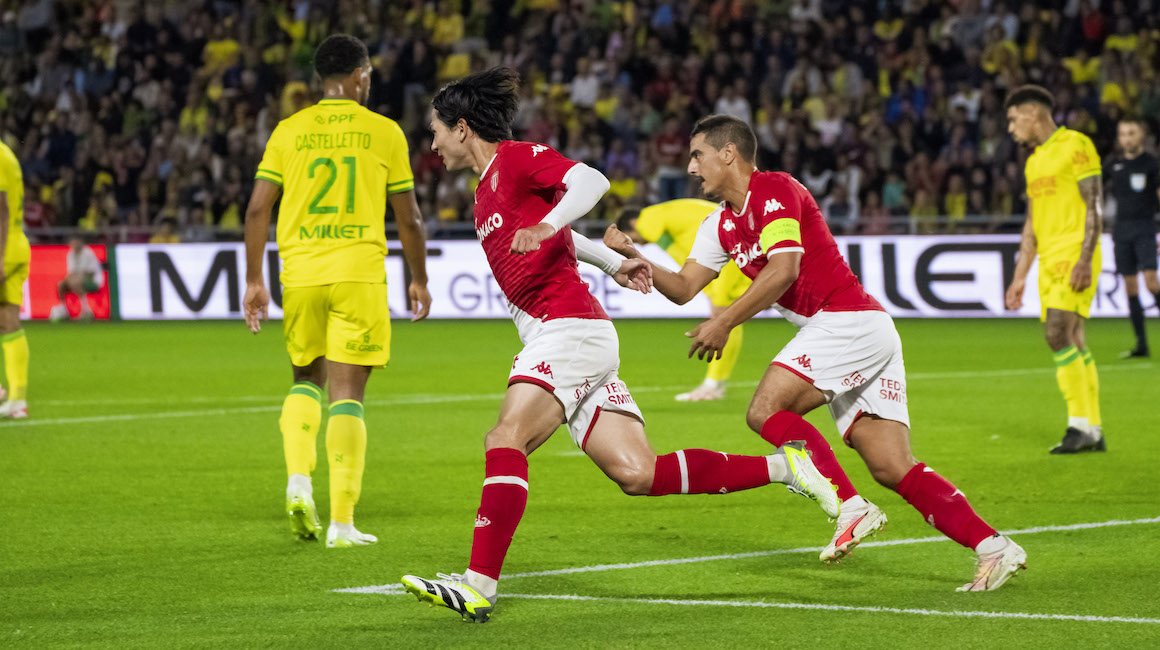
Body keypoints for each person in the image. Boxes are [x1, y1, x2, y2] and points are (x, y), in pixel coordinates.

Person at [400, 69, 839, 623]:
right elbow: (564, 234)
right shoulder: (484, 191)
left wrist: (548, 226)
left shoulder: (514, 159)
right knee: (638, 473)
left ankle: (478, 584)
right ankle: (787, 468)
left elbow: (591, 182)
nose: (433, 144)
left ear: (462, 128)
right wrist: (612, 262)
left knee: (506, 436)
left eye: (436, 130)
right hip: (569, 335)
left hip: (568, 329)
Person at [606, 114, 1025, 592]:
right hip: (855, 330)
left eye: (698, 155)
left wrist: (724, 321)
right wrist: (633, 256)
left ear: (728, 153)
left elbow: (784, 268)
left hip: (847, 320)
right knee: (891, 465)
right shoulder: (718, 224)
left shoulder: (775, 190)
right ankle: (994, 547)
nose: (691, 167)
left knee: (766, 410)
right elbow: (683, 288)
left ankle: (850, 506)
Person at [242, 35, 432, 549]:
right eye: (368, 77)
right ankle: (342, 524)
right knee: (347, 395)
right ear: (359, 76)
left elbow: (257, 209)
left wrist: (255, 280)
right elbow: (409, 218)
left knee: (306, 378)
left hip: (301, 274)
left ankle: (298, 482)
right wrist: (418, 277)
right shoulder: (384, 131)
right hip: (358, 274)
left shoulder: (288, 130)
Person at [1003, 85, 1106, 454]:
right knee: (1073, 339)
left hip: (1075, 253)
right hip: (1048, 260)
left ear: (1032, 113)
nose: (1011, 128)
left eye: (1013, 120)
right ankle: (1093, 428)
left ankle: (1078, 425)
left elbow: (1095, 204)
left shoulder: (1076, 145)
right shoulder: (1033, 162)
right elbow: (1031, 224)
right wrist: (1019, 277)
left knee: (1057, 333)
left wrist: (1085, 257)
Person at [614, 199, 752, 401]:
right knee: (729, 318)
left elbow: (679, 256)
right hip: (737, 247)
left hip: (730, 254)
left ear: (632, 224)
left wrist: (691, 283)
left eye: (631, 238)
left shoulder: (645, 220)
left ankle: (713, 386)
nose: (638, 243)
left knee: (723, 318)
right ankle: (715, 384)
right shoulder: (668, 213)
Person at [1104, 118, 1160, 358]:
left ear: (1142, 135)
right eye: (1123, 134)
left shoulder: (1152, 164)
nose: (1126, 138)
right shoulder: (1113, 164)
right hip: (1122, 231)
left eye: (1131, 133)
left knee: (1151, 282)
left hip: (1145, 228)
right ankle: (1141, 345)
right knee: (1130, 287)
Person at [0, 139, 30, 419]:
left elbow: (1, 209)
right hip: (16, 243)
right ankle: (17, 399)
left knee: (8, 321)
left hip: (4, 248)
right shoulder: (7, 154)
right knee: (8, 321)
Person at [50, 237, 104, 322]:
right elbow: (71, 272)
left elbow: (89, 272)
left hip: (93, 280)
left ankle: (86, 310)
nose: (74, 245)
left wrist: (73, 278)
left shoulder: (88, 252)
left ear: (80, 243)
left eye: (75, 243)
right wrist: (68, 280)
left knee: (76, 282)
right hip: (75, 280)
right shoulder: (70, 254)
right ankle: (64, 310)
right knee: (61, 285)